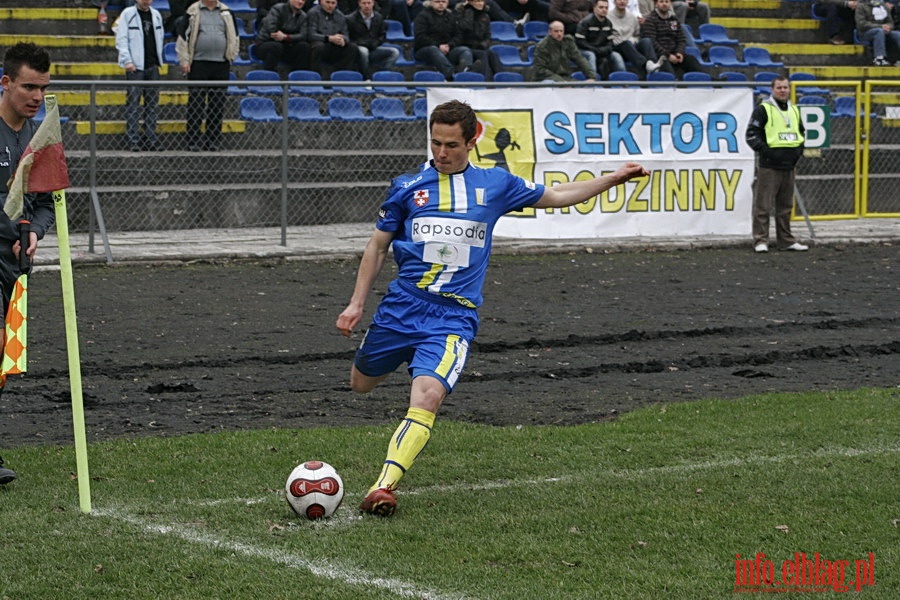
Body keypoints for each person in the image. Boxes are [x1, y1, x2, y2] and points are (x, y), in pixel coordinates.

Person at [336, 99, 648, 516]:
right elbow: (377, 245)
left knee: (428, 396)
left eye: (451, 145)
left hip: (452, 315)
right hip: (401, 308)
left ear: (472, 140)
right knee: (361, 384)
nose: (442, 153)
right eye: (435, 143)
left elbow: (557, 196)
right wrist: (356, 303)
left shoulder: (495, 184)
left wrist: (613, 179)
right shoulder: (407, 187)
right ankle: (390, 376)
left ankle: (384, 486)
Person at [0, 43, 57, 486]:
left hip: (15, 267)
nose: (36, 95)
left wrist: (35, 230)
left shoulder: (41, 139)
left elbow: (44, 203)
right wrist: (12, 232)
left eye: (43, 87)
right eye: (28, 86)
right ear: (6, 84)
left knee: (4, 362)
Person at [745, 75, 809, 253]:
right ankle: (760, 240)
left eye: (785, 87)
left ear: (789, 89)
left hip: (789, 165)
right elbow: (751, 134)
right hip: (769, 166)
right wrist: (766, 151)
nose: (783, 90)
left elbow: (801, 133)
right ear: (772, 90)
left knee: (785, 207)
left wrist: (798, 152)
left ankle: (786, 240)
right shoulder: (763, 109)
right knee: (763, 206)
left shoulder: (794, 110)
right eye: (779, 87)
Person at [176, 0, 240, 152]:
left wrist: (232, 55)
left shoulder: (227, 12)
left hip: (221, 64)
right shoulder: (192, 11)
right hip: (198, 64)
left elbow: (235, 36)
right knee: (196, 103)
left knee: (217, 104)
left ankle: (213, 140)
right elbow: (182, 38)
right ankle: (193, 140)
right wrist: (184, 60)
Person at [115, 0, 165, 152]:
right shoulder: (127, 14)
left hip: (152, 66)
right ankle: (133, 139)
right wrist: (127, 61)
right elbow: (121, 39)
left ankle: (151, 138)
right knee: (134, 105)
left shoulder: (156, 15)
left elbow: (160, 37)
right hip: (135, 67)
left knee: (152, 105)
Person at [641, 0, 704, 78]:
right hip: (660, 56)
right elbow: (652, 42)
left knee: (691, 60)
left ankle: (711, 81)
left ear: (670, 4)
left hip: (675, 54)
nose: (664, 4)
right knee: (671, 74)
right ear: (656, 4)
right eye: (661, 2)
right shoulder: (650, 20)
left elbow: (681, 39)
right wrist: (668, 55)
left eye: (667, 2)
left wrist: (679, 52)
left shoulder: (674, 20)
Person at [413, 0, 473, 80]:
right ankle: (451, 74)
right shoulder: (422, 16)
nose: (441, 4)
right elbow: (420, 37)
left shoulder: (451, 16)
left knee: (464, 50)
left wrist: (449, 45)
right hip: (425, 50)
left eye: (443, 1)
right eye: (437, 1)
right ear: (431, 3)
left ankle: (465, 74)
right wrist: (438, 46)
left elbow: (458, 35)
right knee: (433, 49)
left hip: (447, 49)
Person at [254, 0, 311, 74]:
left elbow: (303, 35)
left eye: (303, 0)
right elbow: (271, 29)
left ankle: (298, 78)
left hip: (286, 45)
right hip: (266, 43)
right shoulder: (277, 9)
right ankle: (268, 76)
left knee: (304, 46)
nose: (301, 2)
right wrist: (289, 36)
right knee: (276, 46)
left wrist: (286, 37)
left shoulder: (303, 16)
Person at [608, 0, 661, 79]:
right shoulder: (608, 16)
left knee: (646, 41)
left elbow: (637, 35)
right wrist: (623, 41)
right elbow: (608, 36)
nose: (622, 1)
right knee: (626, 43)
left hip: (631, 46)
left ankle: (652, 64)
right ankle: (645, 65)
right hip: (617, 47)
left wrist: (633, 40)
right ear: (614, 2)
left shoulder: (632, 17)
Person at [347, 0, 400, 78]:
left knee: (394, 52)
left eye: (369, 3)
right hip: (358, 49)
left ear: (373, 3)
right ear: (359, 4)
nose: (367, 6)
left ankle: (381, 76)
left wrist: (376, 42)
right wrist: (362, 43)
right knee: (364, 51)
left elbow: (382, 35)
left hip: (374, 48)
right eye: (364, 3)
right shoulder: (350, 19)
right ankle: (366, 77)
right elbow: (348, 38)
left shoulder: (379, 17)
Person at [307, 0, 360, 77]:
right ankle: (316, 77)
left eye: (333, 3)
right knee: (318, 46)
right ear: (321, 2)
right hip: (320, 43)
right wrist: (329, 38)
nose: (330, 5)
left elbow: (346, 35)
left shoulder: (340, 15)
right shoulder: (313, 13)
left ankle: (342, 77)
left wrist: (343, 40)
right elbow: (311, 35)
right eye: (327, 2)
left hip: (334, 45)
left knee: (352, 47)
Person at [532, 19, 597, 80]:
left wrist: (591, 77)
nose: (559, 34)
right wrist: (561, 82)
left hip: (565, 78)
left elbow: (579, 59)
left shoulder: (568, 41)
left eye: (561, 31)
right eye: (556, 31)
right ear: (550, 32)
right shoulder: (542, 46)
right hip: (545, 79)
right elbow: (540, 69)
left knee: (581, 88)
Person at [575, 0, 625, 78]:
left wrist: (605, 49)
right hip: (585, 50)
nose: (604, 10)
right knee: (591, 55)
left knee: (616, 55)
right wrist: (594, 49)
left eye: (606, 8)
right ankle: (592, 81)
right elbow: (580, 42)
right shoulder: (585, 22)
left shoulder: (608, 23)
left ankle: (623, 82)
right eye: (601, 7)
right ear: (594, 8)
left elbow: (610, 42)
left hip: (600, 50)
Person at [456, 0, 503, 80]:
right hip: (465, 45)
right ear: (469, 2)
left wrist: (483, 44)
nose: (480, 3)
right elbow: (466, 28)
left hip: (480, 46)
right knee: (483, 54)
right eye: (476, 1)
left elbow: (488, 35)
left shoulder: (485, 16)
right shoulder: (462, 13)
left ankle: (502, 81)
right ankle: (485, 81)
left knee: (493, 54)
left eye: (481, 1)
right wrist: (469, 12)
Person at [856, 0, 900, 65]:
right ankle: (879, 58)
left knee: (897, 34)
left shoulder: (883, 6)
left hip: (883, 30)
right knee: (879, 31)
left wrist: (888, 27)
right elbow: (861, 24)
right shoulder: (861, 6)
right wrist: (880, 26)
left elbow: (890, 22)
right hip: (865, 33)